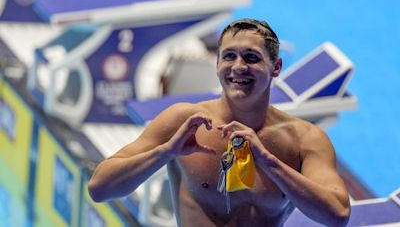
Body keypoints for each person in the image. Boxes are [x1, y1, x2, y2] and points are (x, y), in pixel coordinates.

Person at [88, 18, 351, 226]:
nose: (238, 67)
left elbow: (338, 214)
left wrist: (269, 162)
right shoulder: (184, 120)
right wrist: (165, 152)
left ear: (276, 67)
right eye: (229, 56)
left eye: (251, 57)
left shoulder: (304, 139)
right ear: (216, 64)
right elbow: (99, 189)